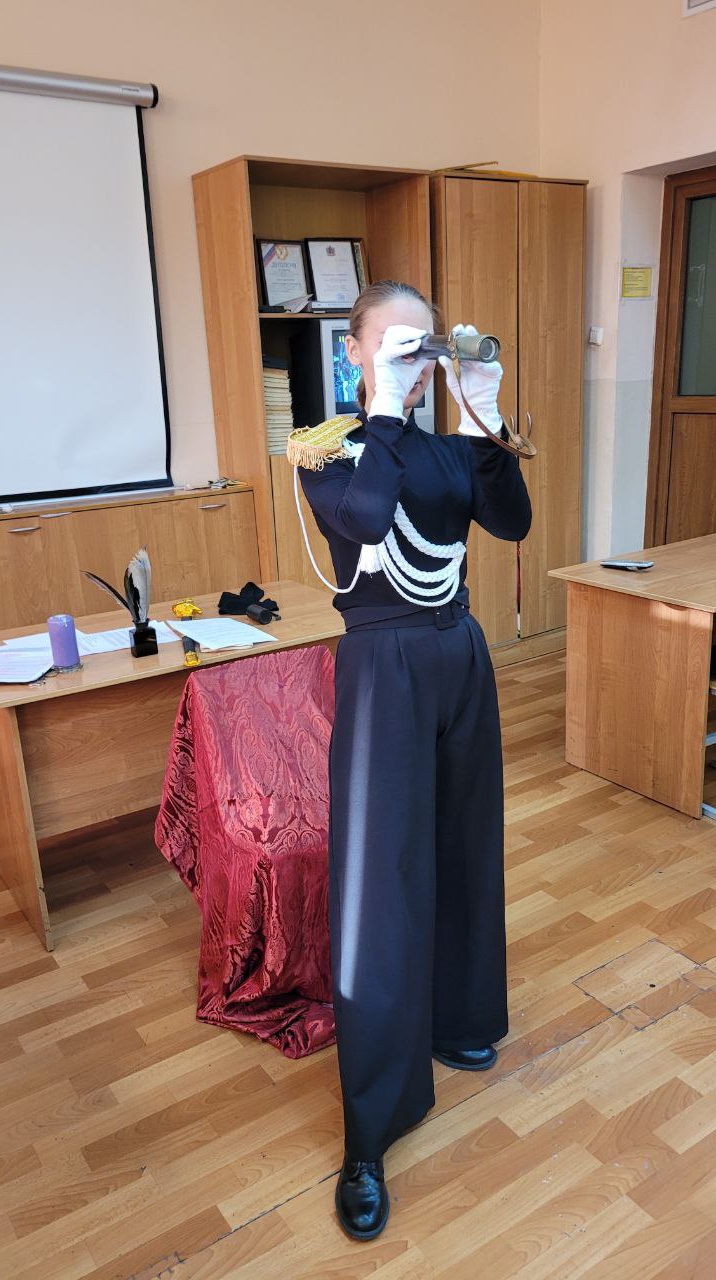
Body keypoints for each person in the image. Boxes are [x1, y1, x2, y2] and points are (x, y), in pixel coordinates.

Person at [294, 280, 532, 1241]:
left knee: (464, 846)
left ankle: (458, 1016)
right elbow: (361, 521)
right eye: (390, 345)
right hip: (383, 665)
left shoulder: (449, 445)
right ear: (353, 352)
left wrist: (485, 415)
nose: (411, 361)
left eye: (422, 346)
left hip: (459, 653)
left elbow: (510, 521)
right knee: (379, 883)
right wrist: (386, 409)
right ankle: (370, 1131)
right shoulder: (326, 448)